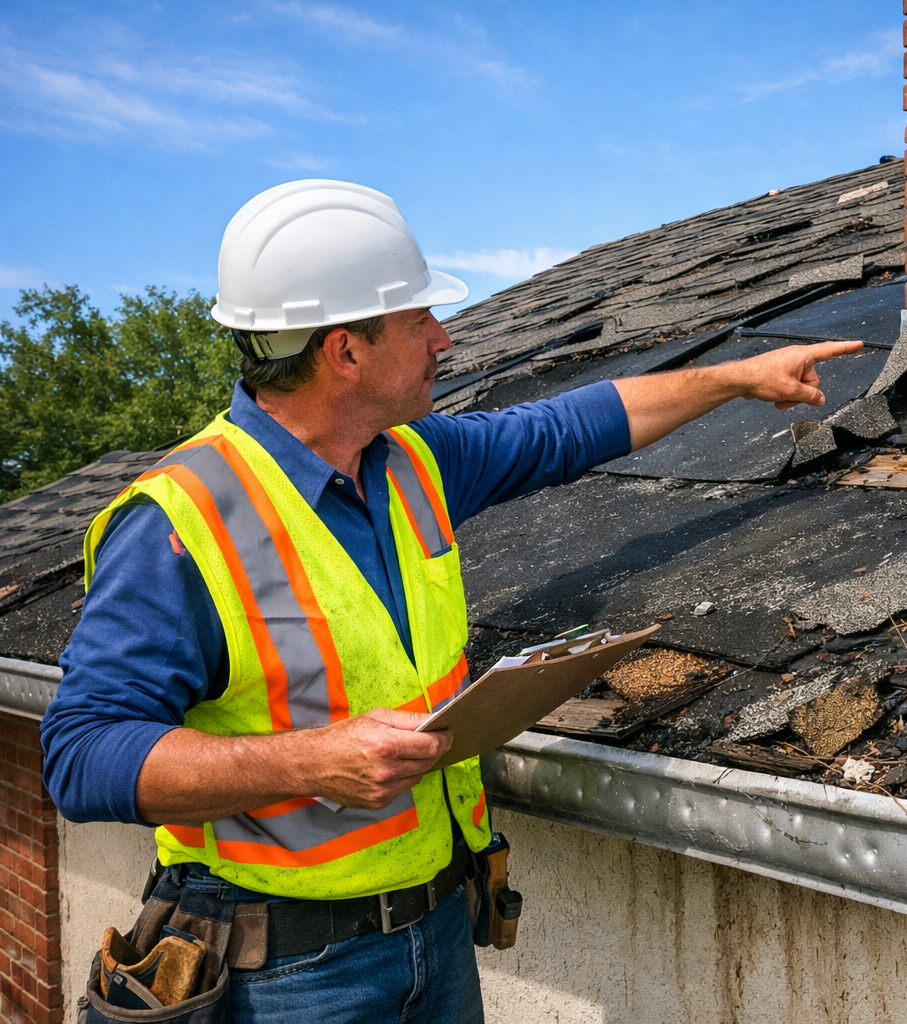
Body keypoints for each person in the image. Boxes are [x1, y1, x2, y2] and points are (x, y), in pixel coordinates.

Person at [40, 179, 859, 1023]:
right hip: (285, 976)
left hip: (436, 931)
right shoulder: (178, 522)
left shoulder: (411, 461)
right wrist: (308, 761)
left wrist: (738, 377)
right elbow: (80, 755)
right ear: (343, 352)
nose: (444, 337)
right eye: (418, 320)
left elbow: (571, 427)